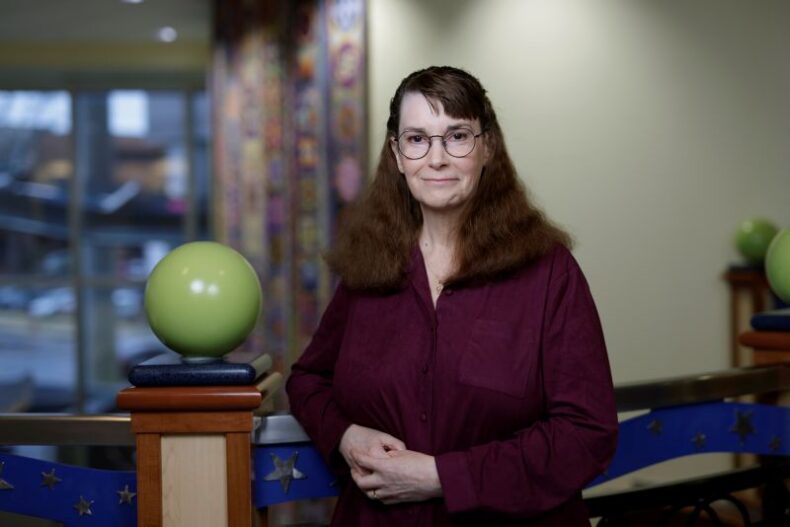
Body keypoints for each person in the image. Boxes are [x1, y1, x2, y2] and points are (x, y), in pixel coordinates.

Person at [286, 66, 618, 526]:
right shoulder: (369, 267)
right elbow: (307, 380)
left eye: (457, 136)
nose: (437, 158)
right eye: (417, 139)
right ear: (397, 155)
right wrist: (345, 435)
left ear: (488, 147)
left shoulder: (548, 272)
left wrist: (443, 476)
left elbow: (586, 433)